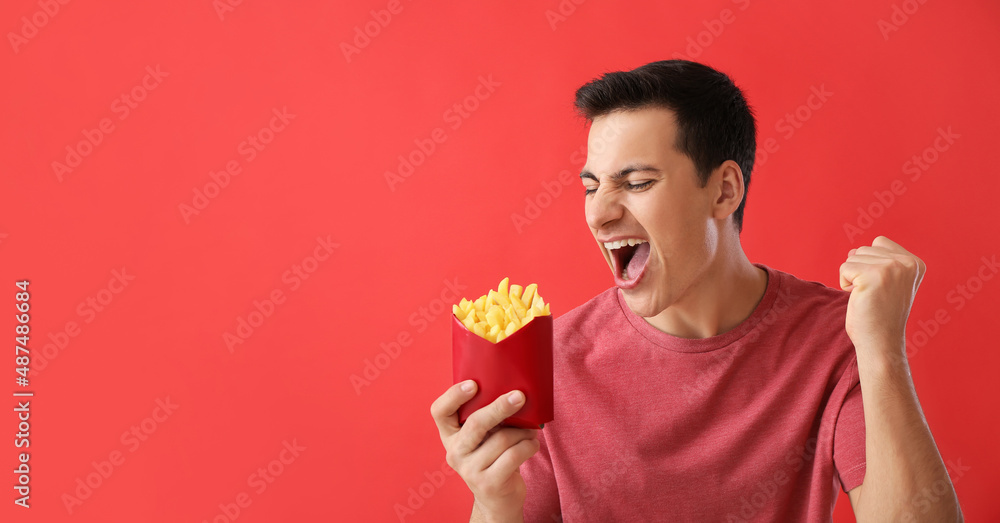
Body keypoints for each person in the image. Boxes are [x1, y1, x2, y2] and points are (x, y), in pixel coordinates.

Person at [430, 59, 963, 522]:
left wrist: (883, 350)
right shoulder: (549, 360)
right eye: (592, 186)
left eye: (636, 183)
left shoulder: (836, 339)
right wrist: (495, 504)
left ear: (724, 190)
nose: (599, 212)